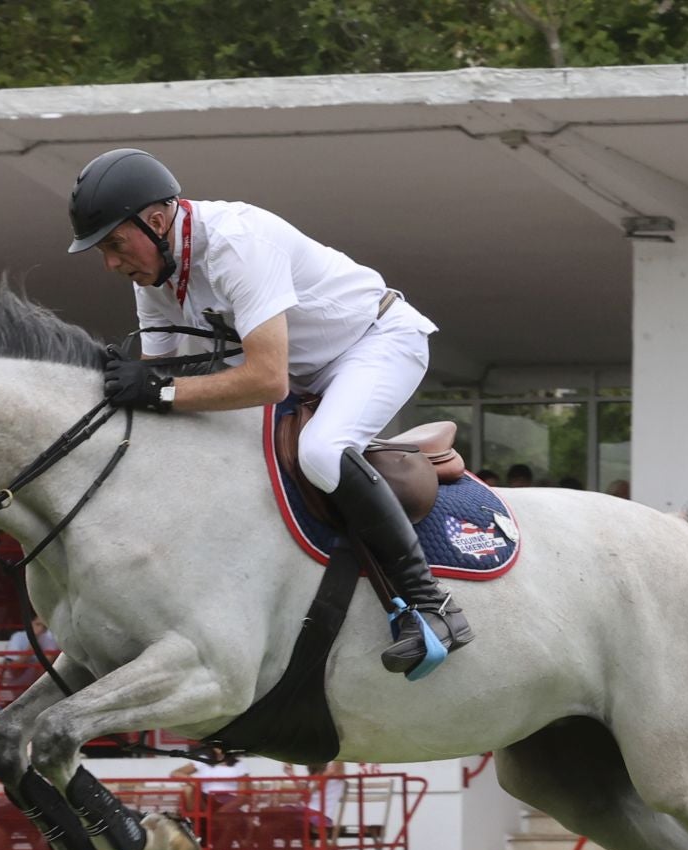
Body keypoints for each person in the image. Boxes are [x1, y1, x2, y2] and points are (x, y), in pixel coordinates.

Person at [70, 148, 467, 677]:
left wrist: (159, 391)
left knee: (321, 453)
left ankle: (432, 606)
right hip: (302, 370)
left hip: (376, 343)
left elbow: (264, 380)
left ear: (158, 221)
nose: (112, 263)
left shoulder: (237, 243)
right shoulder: (156, 276)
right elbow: (162, 385)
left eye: (116, 244)